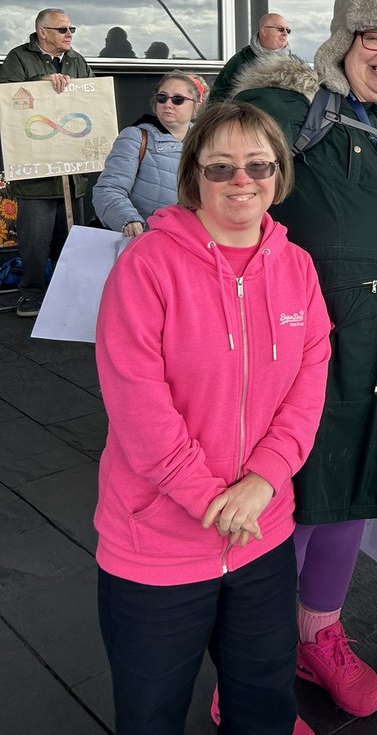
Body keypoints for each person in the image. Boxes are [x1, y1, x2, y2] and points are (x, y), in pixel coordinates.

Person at [234, 0, 377, 717]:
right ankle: (251, 680)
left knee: (348, 499)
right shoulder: (289, 112)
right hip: (293, 367)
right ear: (342, 41)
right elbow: (216, 194)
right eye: (374, 37)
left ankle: (317, 636)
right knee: (285, 512)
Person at [94, 101, 331, 735]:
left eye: (258, 165)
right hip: (157, 544)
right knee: (151, 716)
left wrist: (262, 482)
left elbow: (308, 388)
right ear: (193, 174)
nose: (240, 181)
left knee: (263, 706)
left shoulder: (298, 268)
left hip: (261, 535)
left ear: (278, 175)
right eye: (220, 166)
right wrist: (212, 500)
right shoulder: (145, 266)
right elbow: (138, 404)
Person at [0, 9, 94, 318]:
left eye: (72, 28)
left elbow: (92, 100)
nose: (70, 34)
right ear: (43, 32)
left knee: (71, 236)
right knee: (34, 240)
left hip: (71, 171)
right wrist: (43, 82)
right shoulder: (18, 58)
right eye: (63, 29)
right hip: (36, 172)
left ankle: (67, 291)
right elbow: (7, 97)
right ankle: (30, 294)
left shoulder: (77, 60)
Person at [93, 73, 202, 236]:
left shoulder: (207, 141)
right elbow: (109, 189)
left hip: (191, 240)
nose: (168, 104)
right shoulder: (135, 137)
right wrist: (128, 219)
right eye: (162, 98)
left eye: (178, 99)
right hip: (146, 240)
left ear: (196, 106)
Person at [209, 13, 296, 105]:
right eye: (280, 29)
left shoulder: (295, 64)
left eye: (288, 30)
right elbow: (217, 98)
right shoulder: (240, 61)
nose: (285, 34)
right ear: (264, 31)